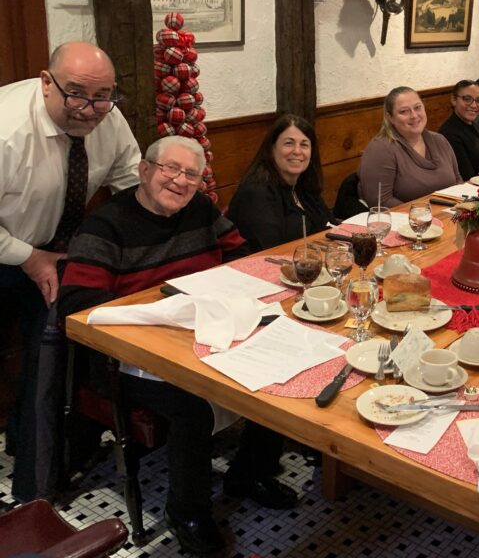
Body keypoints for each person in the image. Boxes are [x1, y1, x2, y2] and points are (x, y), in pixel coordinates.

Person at [56, 136, 298, 555]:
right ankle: (188, 512)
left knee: (280, 363)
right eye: (170, 169)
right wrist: (162, 309)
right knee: (191, 407)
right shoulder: (106, 225)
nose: (180, 181)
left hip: (202, 335)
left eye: (191, 174)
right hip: (128, 358)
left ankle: (249, 472)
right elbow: (76, 307)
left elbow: (241, 255)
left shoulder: (201, 210)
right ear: (145, 170)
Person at [1, 42, 140, 500]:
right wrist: (27, 255)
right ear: (46, 82)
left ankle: (35, 479)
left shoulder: (107, 116)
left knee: (49, 359)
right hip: (9, 249)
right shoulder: (6, 129)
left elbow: (133, 181)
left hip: (57, 257)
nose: (90, 110)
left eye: (103, 96)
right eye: (76, 94)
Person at [226, 114, 332, 250]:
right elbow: (270, 252)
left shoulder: (304, 187)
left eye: (304, 145)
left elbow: (332, 228)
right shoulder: (256, 194)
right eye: (289, 143)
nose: (297, 151)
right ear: (271, 149)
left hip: (311, 265)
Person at [358, 86, 461, 207]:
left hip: (450, 215)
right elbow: (380, 202)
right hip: (408, 222)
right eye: (404, 111)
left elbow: (457, 179)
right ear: (390, 117)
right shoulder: (380, 149)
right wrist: (422, 214)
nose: (414, 115)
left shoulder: (440, 140)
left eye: (418, 107)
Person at [438, 80, 479, 180]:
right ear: (454, 100)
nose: (474, 105)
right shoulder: (448, 134)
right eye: (467, 99)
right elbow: (468, 177)